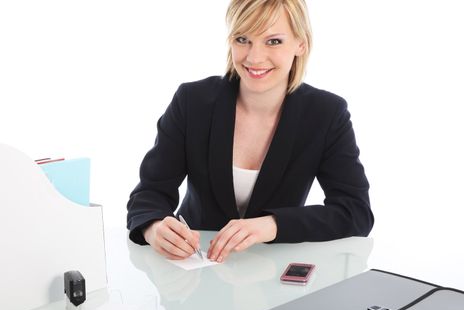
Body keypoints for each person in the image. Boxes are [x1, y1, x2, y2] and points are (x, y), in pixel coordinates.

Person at [127, 0, 374, 263]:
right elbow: (149, 193)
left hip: (273, 274)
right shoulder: (192, 101)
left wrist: (272, 225)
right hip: (195, 270)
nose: (254, 57)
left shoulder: (326, 113)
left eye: (273, 41)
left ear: (300, 43)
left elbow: (355, 212)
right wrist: (154, 227)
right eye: (242, 39)